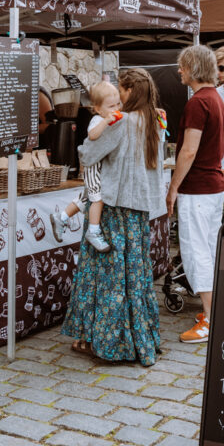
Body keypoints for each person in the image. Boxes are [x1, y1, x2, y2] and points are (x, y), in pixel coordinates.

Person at [61, 68, 165, 366]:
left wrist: (92, 137)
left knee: (109, 276)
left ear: (130, 91)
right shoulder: (156, 119)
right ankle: (140, 336)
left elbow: (88, 154)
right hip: (140, 208)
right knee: (136, 274)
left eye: (121, 89)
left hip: (115, 205)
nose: (118, 95)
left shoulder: (121, 121)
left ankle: (110, 340)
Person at [166, 45, 224, 343]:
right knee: (208, 250)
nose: (179, 70)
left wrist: (173, 187)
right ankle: (212, 311)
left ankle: (209, 319)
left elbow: (189, 151)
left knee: (196, 252)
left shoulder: (197, 103)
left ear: (194, 68)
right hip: (212, 187)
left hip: (198, 189)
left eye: (183, 66)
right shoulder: (215, 99)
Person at [50, 81, 122, 253]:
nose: (116, 108)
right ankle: (93, 231)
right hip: (93, 166)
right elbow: (92, 134)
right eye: (111, 105)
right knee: (98, 197)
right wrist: (105, 121)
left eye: (118, 104)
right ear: (97, 109)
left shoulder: (111, 117)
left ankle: (62, 216)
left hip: (102, 166)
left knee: (86, 198)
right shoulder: (97, 120)